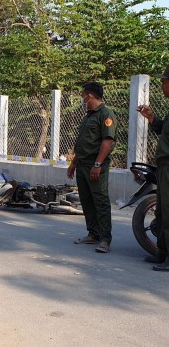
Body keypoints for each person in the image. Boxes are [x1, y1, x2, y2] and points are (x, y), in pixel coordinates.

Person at [67, 82, 117, 253]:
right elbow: (83, 143)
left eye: (83, 96)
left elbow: (107, 141)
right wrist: (73, 163)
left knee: (100, 201)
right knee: (86, 200)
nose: (82, 99)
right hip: (82, 164)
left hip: (95, 166)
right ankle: (93, 234)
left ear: (90, 96)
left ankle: (105, 239)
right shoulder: (89, 115)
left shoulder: (105, 113)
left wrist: (98, 164)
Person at [137, 64, 169, 271]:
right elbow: (164, 132)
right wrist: (152, 118)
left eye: (164, 82)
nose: (161, 85)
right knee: (162, 211)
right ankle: (162, 252)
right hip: (164, 168)